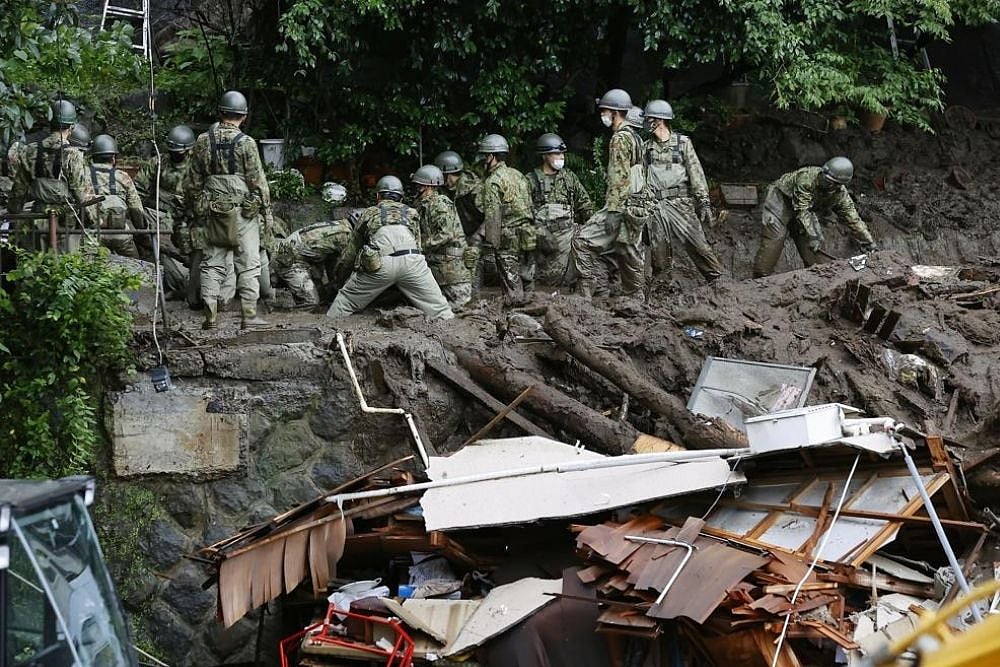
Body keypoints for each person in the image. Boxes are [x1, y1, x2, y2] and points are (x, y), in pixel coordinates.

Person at [183, 90, 272, 329]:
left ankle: (210, 315)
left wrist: (197, 207)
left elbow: (192, 181)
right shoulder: (247, 144)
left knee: (212, 262)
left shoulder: (202, 141)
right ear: (243, 116)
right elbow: (258, 182)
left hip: (214, 210)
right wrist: (266, 212)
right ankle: (249, 316)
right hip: (243, 213)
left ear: (220, 112)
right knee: (249, 263)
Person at [327, 175, 453, 319]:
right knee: (440, 309)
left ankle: (330, 328)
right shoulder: (412, 213)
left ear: (377, 196)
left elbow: (351, 252)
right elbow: (418, 244)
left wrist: (339, 279)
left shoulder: (369, 213)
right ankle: (454, 334)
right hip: (413, 262)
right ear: (401, 198)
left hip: (380, 265)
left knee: (345, 302)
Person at [570, 88, 645, 298]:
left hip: (620, 205)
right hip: (635, 205)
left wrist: (613, 211)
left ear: (615, 112)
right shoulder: (636, 138)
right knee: (629, 252)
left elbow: (619, 178)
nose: (602, 115)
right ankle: (636, 300)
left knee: (582, 242)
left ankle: (584, 298)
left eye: (604, 110)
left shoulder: (620, 139)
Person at [752, 157, 876, 277]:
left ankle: (817, 282)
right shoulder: (806, 179)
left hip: (806, 211)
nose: (823, 180)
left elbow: (853, 219)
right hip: (781, 201)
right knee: (775, 239)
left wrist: (868, 242)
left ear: (838, 185)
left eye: (829, 181)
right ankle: (760, 281)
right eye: (824, 176)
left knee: (815, 253)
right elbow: (802, 210)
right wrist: (813, 236)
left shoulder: (840, 195)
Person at [642, 99, 724, 282]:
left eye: (649, 119)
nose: (646, 122)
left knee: (700, 246)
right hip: (656, 206)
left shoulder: (682, 143)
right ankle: (662, 294)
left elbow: (696, 172)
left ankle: (720, 283)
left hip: (680, 203)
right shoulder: (645, 148)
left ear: (660, 120)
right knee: (659, 255)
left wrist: (703, 201)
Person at [8, 100, 95, 247]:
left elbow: (18, 191)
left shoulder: (29, 151)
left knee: (37, 262)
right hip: (65, 223)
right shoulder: (73, 155)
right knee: (65, 264)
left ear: (50, 123)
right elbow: (82, 196)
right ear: (72, 126)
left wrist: (13, 214)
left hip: (37, 219)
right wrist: (92, 220)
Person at [135, 124, 198, 297]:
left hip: (188, 220)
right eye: (172, 151)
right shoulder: (158, 163)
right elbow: (138, 189)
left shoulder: (197, 166)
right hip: (159, 216)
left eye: (179, 152)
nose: (175, 155)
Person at [474, 133, 535, 306]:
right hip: (528, 233)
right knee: (528, 280)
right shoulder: (518, 175)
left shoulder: (493, 181)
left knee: (512, 286)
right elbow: (530, 205)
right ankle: (533, 310)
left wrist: (491, 248)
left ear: (492, 156)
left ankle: (518, 320)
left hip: (508, 238)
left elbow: (493, 219)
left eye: (486, 155)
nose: (484, 160)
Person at [526, 133, 594, 286]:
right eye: (556, 153)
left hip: (567, 238)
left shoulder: (569, 178)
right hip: (542, 241)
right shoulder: (530, 180)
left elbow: (585, 205)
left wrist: (593, 230)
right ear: (545, 156)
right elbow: (523, 214)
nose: (561, 157)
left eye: (562, 153)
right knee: (543, 281)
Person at [412, 164, 473, 308]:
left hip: (452, 275)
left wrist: (420, 247)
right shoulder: (424, 205)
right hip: (440, 268)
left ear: (428, 187)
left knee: (451, 308)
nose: (417, 189)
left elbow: (446, 234)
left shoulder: (440, 204)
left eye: (419, 186)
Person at [87, 134, 146, 259]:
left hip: (92, 234)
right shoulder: (123, 177)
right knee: (137, 268)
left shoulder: (83, 175)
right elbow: (136, 209)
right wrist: (141, 228)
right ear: (113, 158)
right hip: (120, 234)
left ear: (92, 157)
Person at [270, 218, 353, 305]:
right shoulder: (346, 235)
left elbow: (332, 260)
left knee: (323, 297)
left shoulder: (340, 225)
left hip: (302, 258)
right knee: (311, 302)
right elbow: (344, 267)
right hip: (290, 261)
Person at [434, 150, 483, 238]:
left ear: (447, 175)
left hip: (479, 239)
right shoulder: (445, 190)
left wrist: (478, 237)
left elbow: (492, 218)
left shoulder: (475, 190)